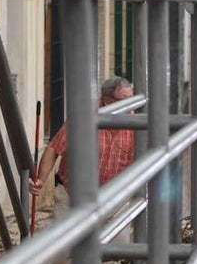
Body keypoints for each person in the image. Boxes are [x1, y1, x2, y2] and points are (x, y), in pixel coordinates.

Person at [30, 76, 135, 213]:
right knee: (66, 234)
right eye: (124, 101)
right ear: (107, 101)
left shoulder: (135, 124)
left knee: (119, 234)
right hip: (72, 198)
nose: (130, 108)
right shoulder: (83, 118)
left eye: (131, 101)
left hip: (115, 202)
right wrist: (40, 181)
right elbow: (54, 148)